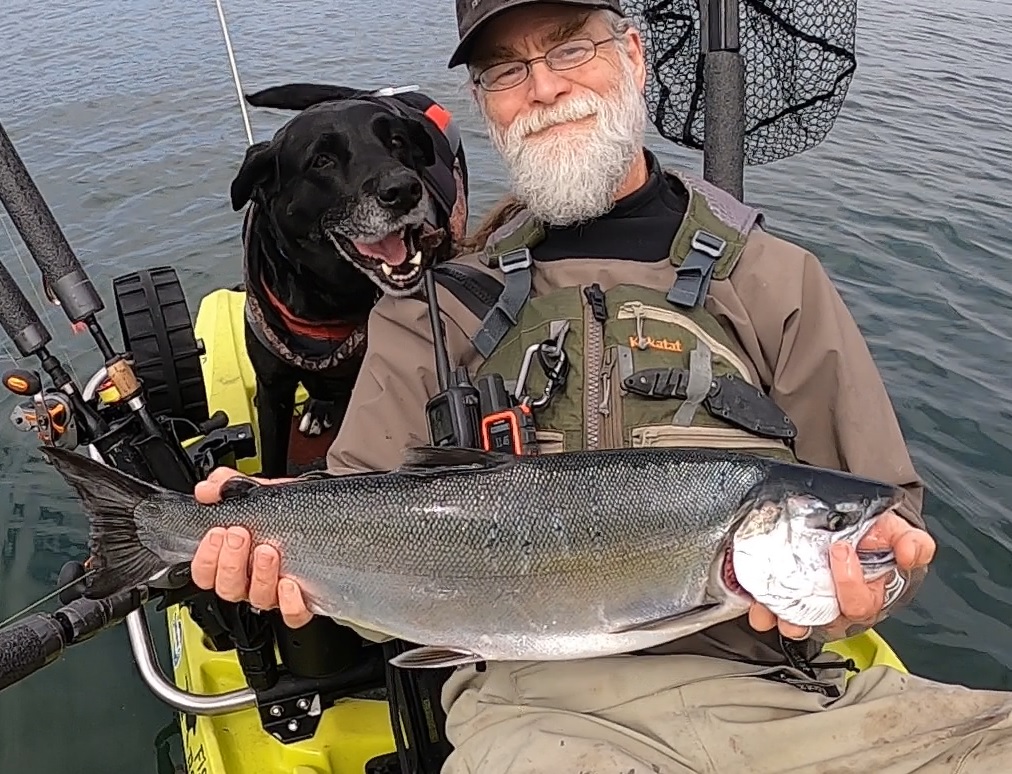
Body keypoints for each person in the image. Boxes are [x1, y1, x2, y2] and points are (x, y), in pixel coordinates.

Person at [189, 1, 1012, 771]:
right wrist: (269, 549)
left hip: (792, 700)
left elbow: (888, 516)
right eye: (506, 72)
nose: (544, 88)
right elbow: (360, 533)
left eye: (569, 48)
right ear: (484, 105)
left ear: (633, 54)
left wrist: (883, 583)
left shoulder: (776, 279)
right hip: (536, 714)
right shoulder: (429, 311)